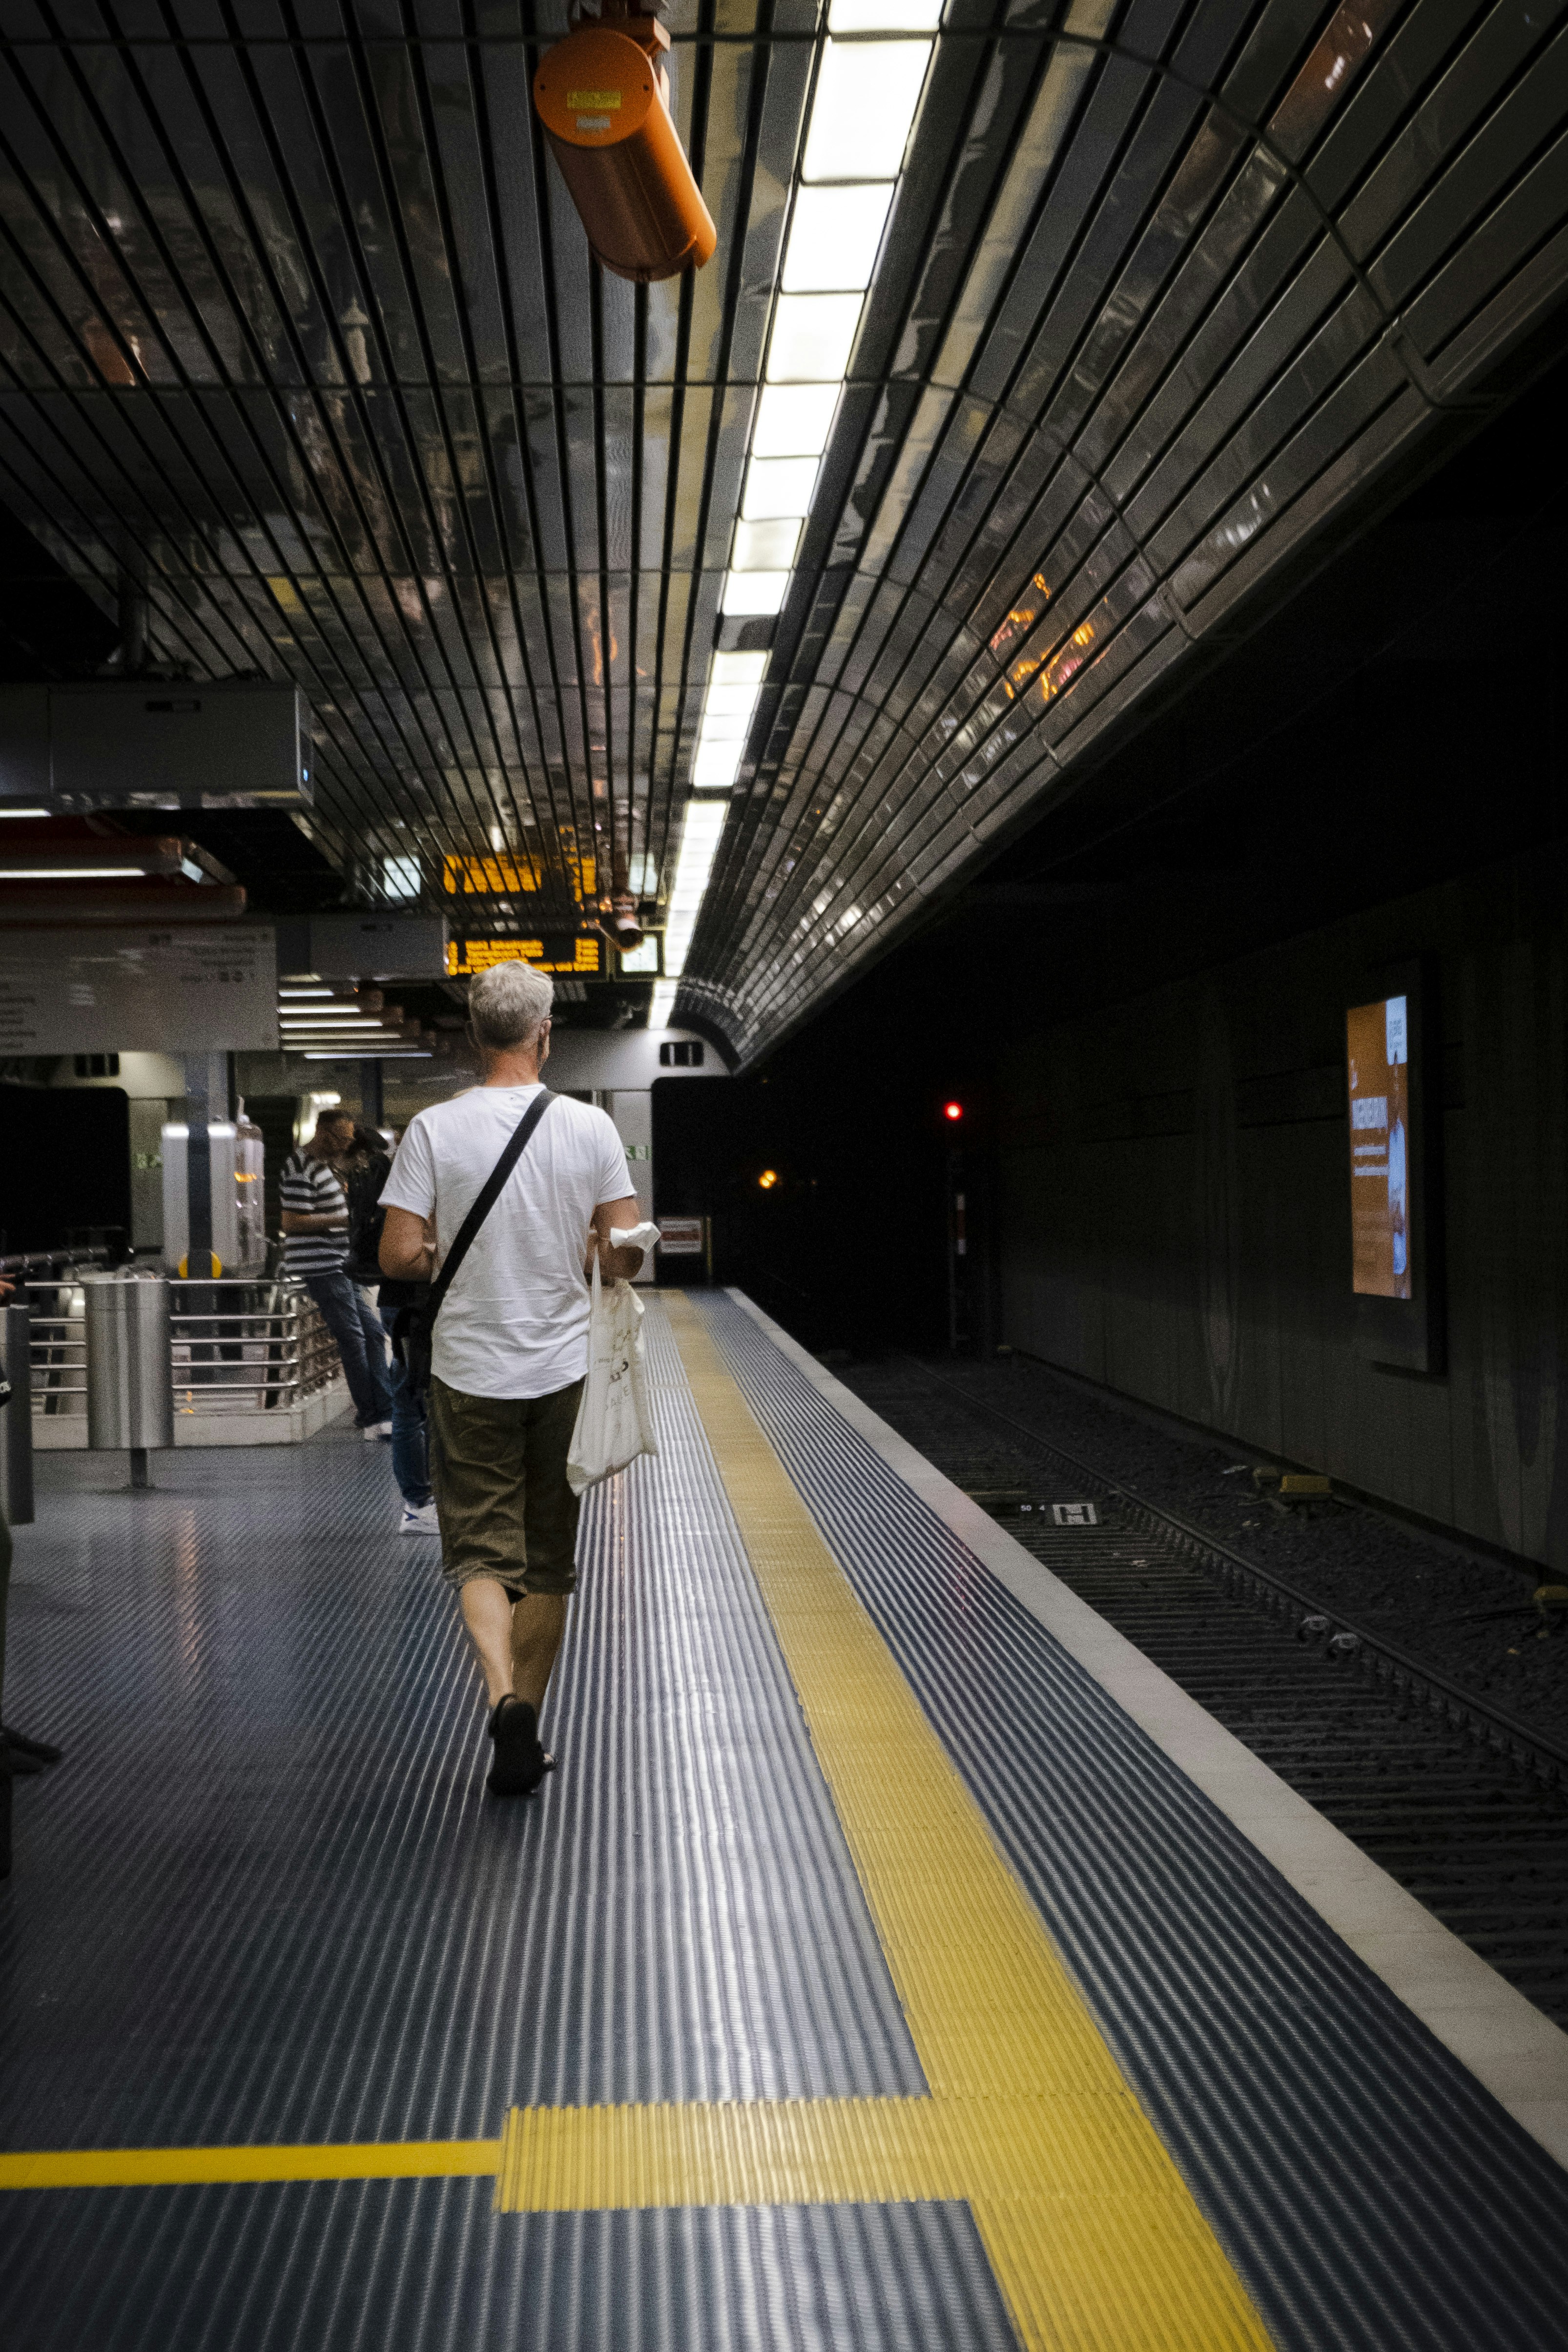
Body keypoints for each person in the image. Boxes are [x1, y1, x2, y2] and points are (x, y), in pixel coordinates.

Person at [378, 961, 644, 1795]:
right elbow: (621, 1250)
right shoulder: (589, 1128)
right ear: (543, 1035)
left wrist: (437, 1251)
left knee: (480, 1550)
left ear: (472, 1035)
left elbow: (396, 1254)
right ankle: (528, 1710)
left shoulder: (431, 1129)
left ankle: (500, 1699)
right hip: (563, 1369)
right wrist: (604, 1252)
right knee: (547, 1555)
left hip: (469, 1368)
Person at [345, 1123, 436, 1536]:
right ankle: (421, 1502)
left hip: (399, 1302)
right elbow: (411, 1251)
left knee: (410, 1401)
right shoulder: (420, 1185)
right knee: (420, 1403)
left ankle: (420, 1502)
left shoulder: (386, 1180)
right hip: (419, 1303)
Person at [280, 1107, 392, 1439]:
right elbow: (292, 1222)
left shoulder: (323, 1167)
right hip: (322, 1266)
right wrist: (344, 1221)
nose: (346, 1146)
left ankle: (384, 1410)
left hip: (340, 1263)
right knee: (354, 1339)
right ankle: (373, 1416)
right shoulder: (299, 1166)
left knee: (371, 1335)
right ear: (324, 1133)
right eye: (342, 1139)